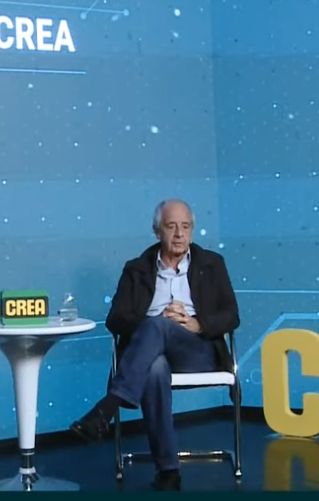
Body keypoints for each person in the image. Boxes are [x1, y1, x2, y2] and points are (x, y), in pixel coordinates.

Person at [69, 198, 240, 491]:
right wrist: (155, 322)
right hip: (148, 356)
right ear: (157, 231)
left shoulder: (212, 264)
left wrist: (197, 323)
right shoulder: (136, 269)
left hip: (196, 350)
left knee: (158, 330)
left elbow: (231, 315)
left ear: (192, 230)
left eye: (185, 227)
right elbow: (115, 320)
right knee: (156, 366)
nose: (179, 234)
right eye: (171, 226)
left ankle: (106, 408)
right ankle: (168, 472)